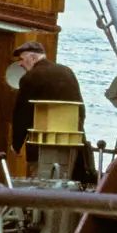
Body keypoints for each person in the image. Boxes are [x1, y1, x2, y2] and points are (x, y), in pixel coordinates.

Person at [10, 40, 97, 185]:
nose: (20, 64)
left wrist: (16, 144)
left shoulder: (29, 78)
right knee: (67, 181)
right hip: (72, 143)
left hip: (41, 145)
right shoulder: (67, 71)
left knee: (41, 182)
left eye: (21, 59)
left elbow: (22, 114)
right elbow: (80, 108)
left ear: (32, 58)